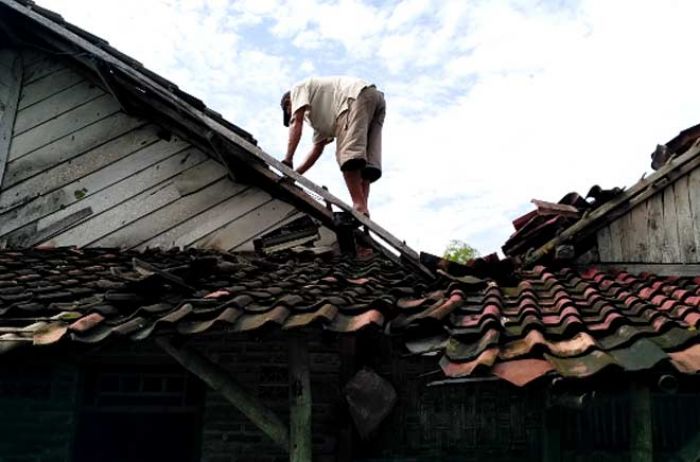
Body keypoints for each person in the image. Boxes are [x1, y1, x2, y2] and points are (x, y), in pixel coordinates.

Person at [280, 76, 385, 217]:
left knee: (349, 156)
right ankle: (363, 208)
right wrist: (295, 176)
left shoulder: (297, 89)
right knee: (365, 164)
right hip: (374, 99)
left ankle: (359, 206)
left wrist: (288, 159)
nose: (293, 113)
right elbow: (317, 150)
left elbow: (295, 122)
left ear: (289, 104)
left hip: (353, 97)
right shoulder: (318, 118)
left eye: (289, 111)